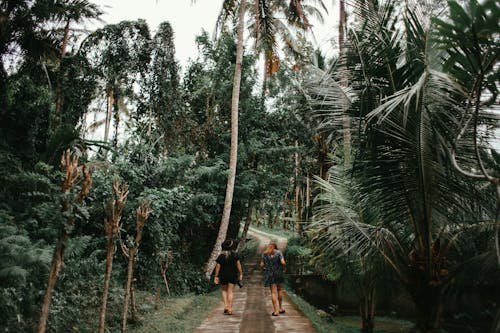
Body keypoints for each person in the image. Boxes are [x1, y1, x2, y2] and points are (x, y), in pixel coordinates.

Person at [214, 239, 243, 315]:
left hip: (223, 275)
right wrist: (241, 274)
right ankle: (230, 308)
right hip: (232, 275)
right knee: (230, 291)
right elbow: (238, 265)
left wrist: (216, 276)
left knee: (224, 291)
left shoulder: (221, 256)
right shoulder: (235, 255)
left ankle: (226, 306)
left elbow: (217, 266)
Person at [260, 242, 286, 316]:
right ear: (275, 247)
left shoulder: (264, 254)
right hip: (278, 273)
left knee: (273, 292)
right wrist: (284, 268)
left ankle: (276, 311)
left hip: (270, 274)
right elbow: (283, 262)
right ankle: (281, 308)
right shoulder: (278, 253)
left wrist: (265, 268)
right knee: (279, 290)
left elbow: (261, 265)